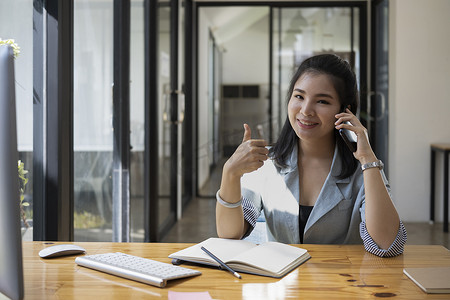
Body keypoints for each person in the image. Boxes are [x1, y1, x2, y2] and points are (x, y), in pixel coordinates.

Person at [215, 54, 406, 257]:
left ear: (344, 111)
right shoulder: (266, 162)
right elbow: (230, 235)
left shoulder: (364, 169)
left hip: (345, 284)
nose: (306, 111)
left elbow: (387, 245)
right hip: (283, 285)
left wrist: (369, 160)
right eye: (299, 96)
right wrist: (230, 174)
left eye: (322, 101)